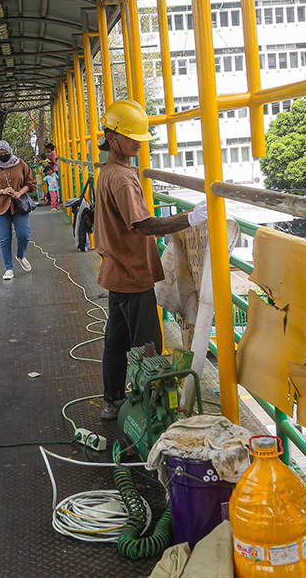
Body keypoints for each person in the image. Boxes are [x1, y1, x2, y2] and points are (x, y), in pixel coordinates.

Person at [94, 99, 207, 420]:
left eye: (140, 139)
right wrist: (190, 218)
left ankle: (113, 400)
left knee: (115, 341)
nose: (137, 144)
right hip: (133, 274)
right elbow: (144, 226)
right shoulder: (123, 178)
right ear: (112, 136)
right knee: (149, 349)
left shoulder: (109, 172)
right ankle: (151, 410)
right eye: (131, 138)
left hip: (116, 271)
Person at [0, 140, 37, 281]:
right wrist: (2, 191)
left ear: (10, 151)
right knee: (5, 238)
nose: (3, 155)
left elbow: (31, 182)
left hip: (19, 206)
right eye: (0, 153)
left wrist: (20, 192)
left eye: (5, 152)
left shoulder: (20, 163)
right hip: (0, 207)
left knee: (24, 234)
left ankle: (21, 255)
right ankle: (8, 268)